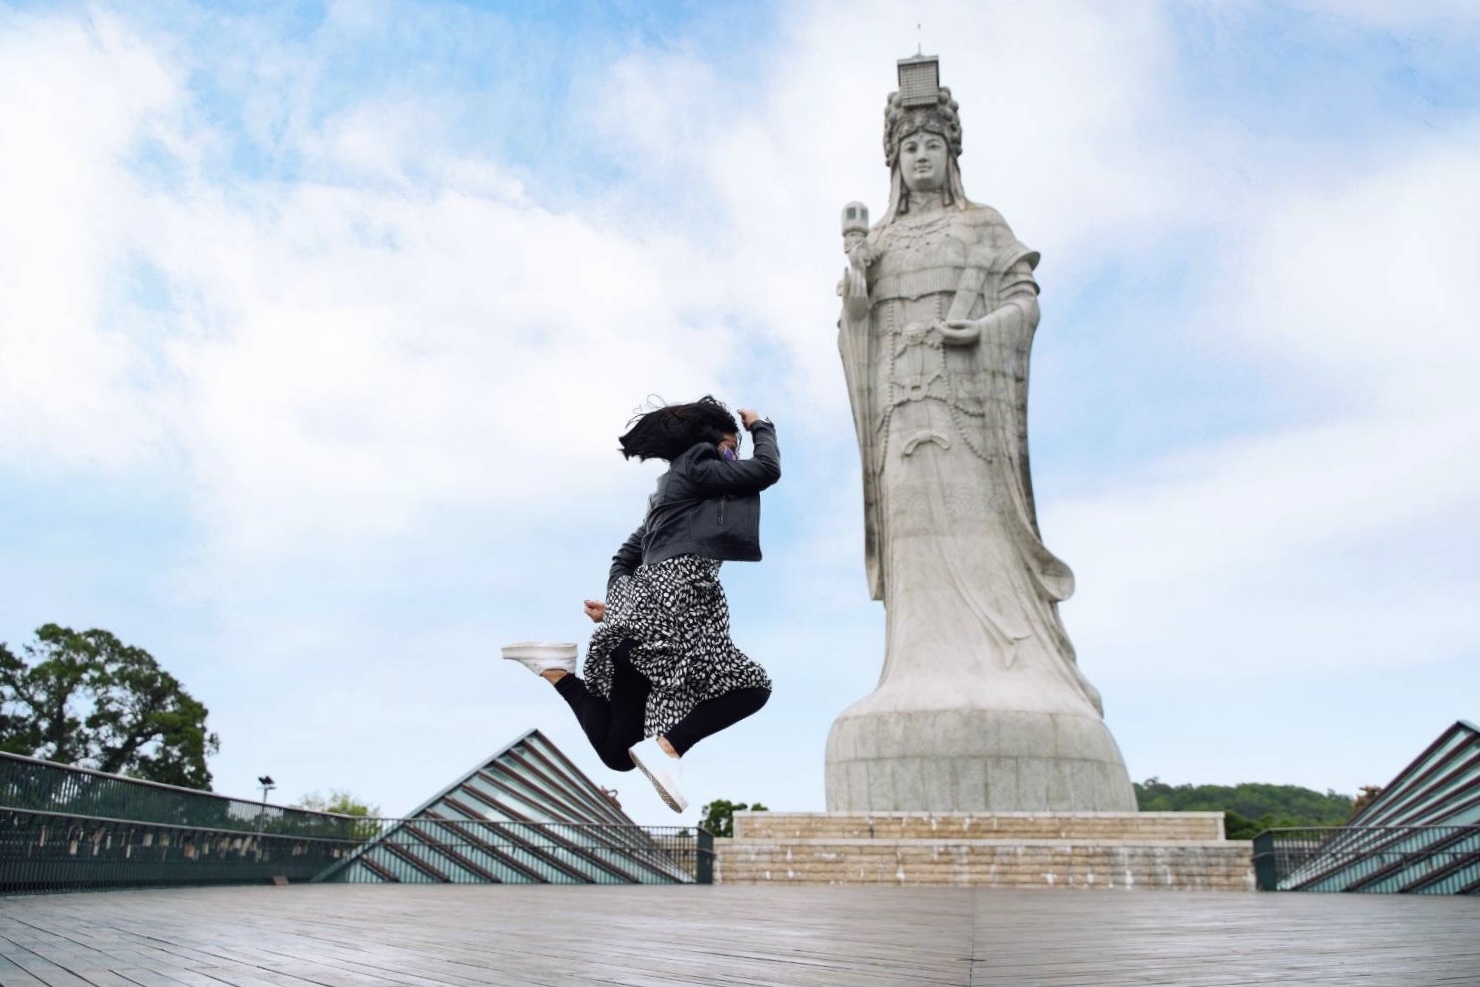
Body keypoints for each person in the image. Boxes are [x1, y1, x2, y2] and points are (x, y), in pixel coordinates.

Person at [834, 83, 1105, 715]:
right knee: (916, 544)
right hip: (902, 413)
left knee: (977, 532)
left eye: (932, 144)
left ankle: (1013, 665)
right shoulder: (877, 242)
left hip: (969, 415)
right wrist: (855, 284)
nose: (921, 156)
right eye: (909, 147)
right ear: (893, 161)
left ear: (951, 152)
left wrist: (982, 331)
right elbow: (856, 327)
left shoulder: (983, 226)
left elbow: (1023, 299)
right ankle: (917, 672)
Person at [502, 397, 780, 812]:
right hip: (677, 613)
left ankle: (557, 669)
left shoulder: (672, 498)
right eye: (729, 447)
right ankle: (668, 747)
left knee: (619, 755)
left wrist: (619, 610)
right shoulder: (696, 461)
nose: (731, 458)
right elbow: (767, 470)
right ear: (710, 442)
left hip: (647, 626)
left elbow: (624, 558)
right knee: (753, 687)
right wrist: (762, 426)